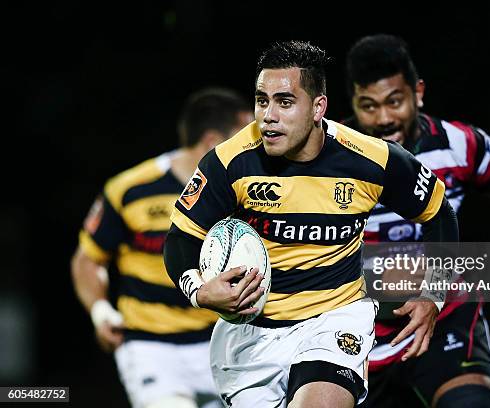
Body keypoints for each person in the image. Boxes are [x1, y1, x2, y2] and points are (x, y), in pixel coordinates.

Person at [163, 40, 459, 408]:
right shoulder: (229, 163)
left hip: (333, 319)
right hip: (249, 336)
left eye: (285, 102)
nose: (268, 115)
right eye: (261, 100)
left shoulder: (370, 160)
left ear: (318, 107)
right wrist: (198, 290)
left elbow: (439, 214)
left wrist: (433, 294)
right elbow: (181, 239)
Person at [344, 34, 490, 407]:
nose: (385, 118)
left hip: (446, 319)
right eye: (369, 106)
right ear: (353, 107)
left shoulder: (457, 145)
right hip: (355, 337)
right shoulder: (331, 158)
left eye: (395, 101)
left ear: (418, 92)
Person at [71, 87, 253, 408]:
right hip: (150, 347)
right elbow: (88, 260)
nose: (254, 147)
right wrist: (101, 313)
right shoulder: (131, 189)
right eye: (243, 138)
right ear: (213, 142)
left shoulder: (247, 191)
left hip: (224, 343)